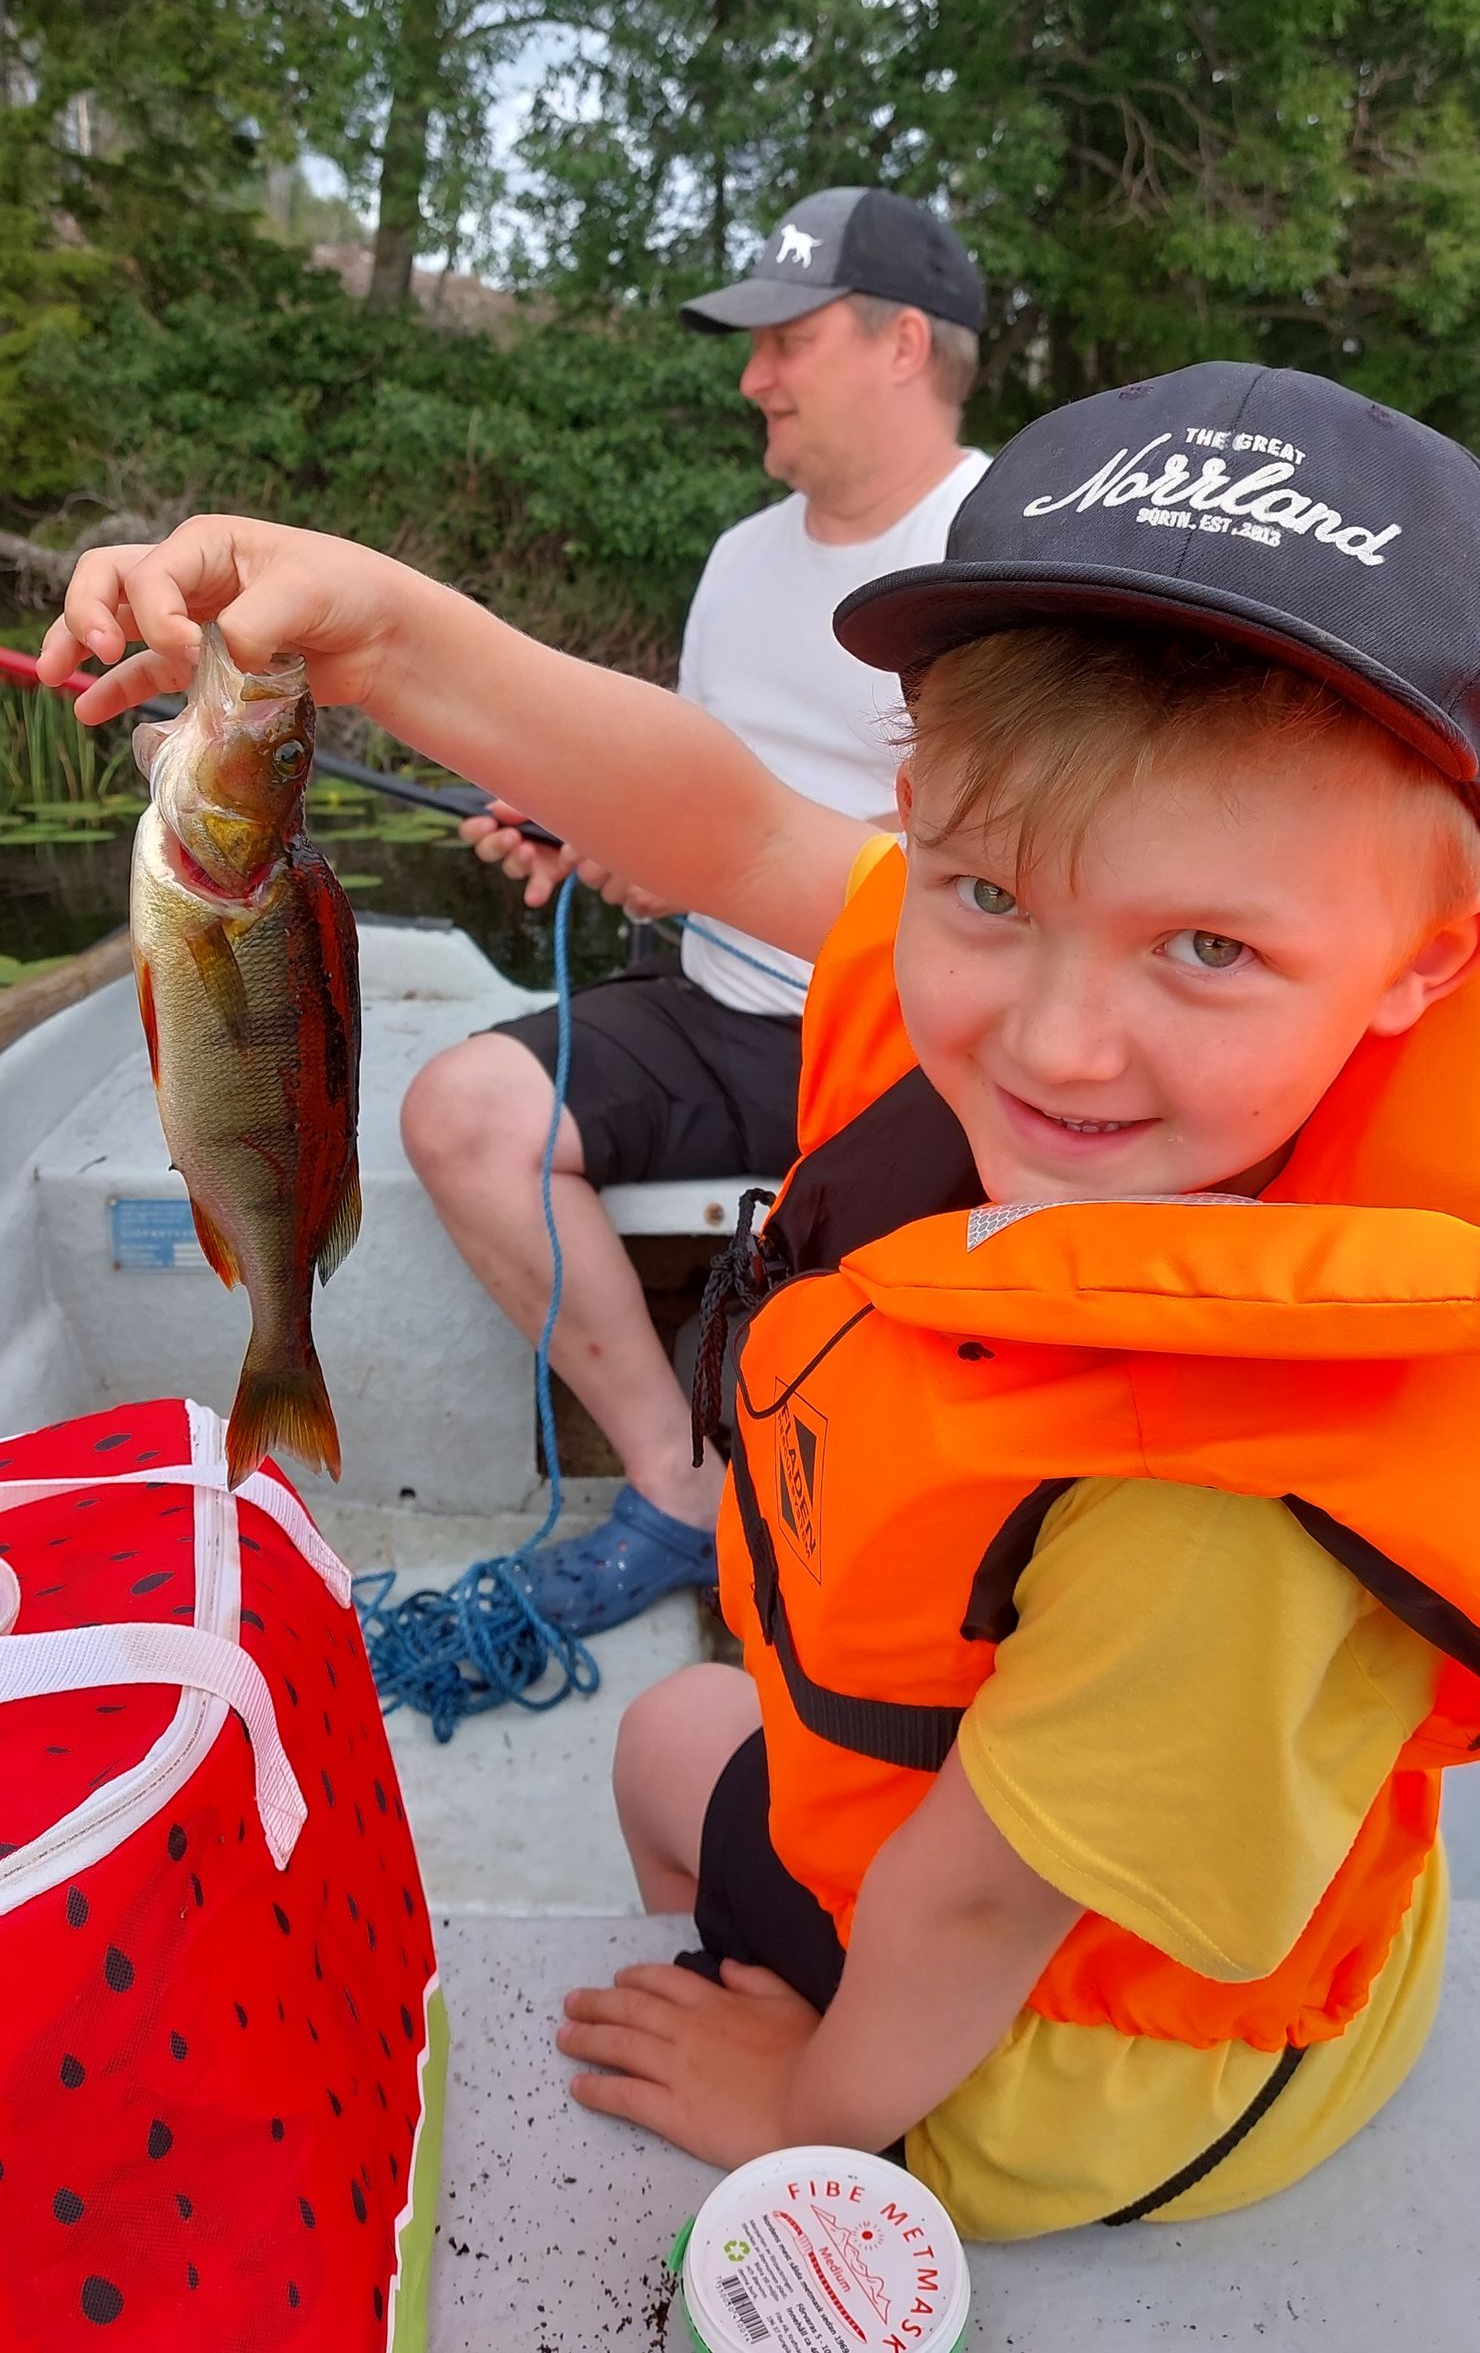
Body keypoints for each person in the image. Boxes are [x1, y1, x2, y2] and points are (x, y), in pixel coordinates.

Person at [41, 358, 1480, 2239]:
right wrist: (380, 630)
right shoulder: (1060, 1000)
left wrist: (803, 2106)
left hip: (1064, 2073)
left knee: (696, 1796)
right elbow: (732, 831)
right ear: (926, 824)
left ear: (1426, 960)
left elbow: (982, 1900)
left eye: (1207, 947)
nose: (1057, 1039)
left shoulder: (1229, 1503)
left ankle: (786, 2061)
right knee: (668, 1736)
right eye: (985, 898)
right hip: (969, 1856)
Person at [400, 186, 987, 1636]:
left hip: (923, 1042)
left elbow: (1022, 857)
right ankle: (676, 1485)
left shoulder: (1006, 548)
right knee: (463, 1115)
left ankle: (866, 1534)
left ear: (903, 343)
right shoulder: (738, 557)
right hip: (718, 1005)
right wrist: (588, 823)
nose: (752, 379)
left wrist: (712, 861)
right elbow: (692, 791)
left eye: (786, 342)